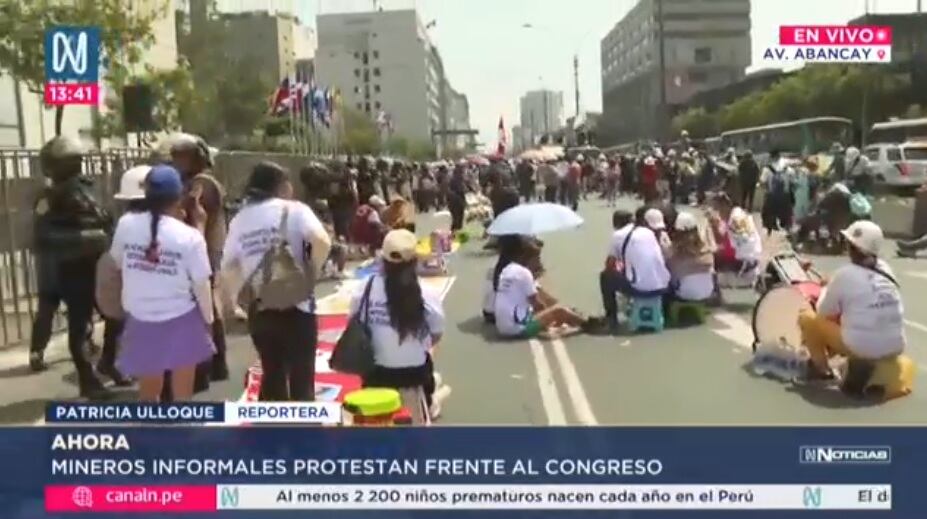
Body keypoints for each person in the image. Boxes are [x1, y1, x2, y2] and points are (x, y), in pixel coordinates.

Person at [220, 162, 331, 401]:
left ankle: (272, 431)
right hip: (298, 305)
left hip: (261, 306)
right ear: (280, 186)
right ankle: (305, 432)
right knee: (302, 377)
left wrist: (233, 302)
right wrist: (312, 272)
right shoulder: (296, 210)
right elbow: (322, 241)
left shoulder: (240, 220)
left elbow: (229, 267)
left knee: (272, 373)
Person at [109, 165, 214, 402]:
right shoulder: (190, 236)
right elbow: (201, 284)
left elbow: (116, 261)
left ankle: (150, 433)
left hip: (140, 314)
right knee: (182, 391)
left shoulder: (126, 224)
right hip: (181, 316)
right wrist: (209, 319)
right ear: (178, 197)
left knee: (148, 389)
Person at [29, 136, 112, 399]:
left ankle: (109, 363)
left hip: (97, 263)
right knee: (79, 324)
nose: (74, 167)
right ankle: (88, 380)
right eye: (68, 163)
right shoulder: (48, 199)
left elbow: (105, 219)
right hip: (72, 267)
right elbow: (43, 237)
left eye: (75, 162)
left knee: (116, 316)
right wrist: (87, 238)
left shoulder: (87, 188)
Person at [797, 221, 907, 394]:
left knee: (807, 317)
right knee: (856, 317)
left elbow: (823, 310)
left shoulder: (845, 275)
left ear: (853, 247)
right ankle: (866, 368)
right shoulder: (886, 269)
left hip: (860, 346)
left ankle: (821, 370)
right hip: (895, 345)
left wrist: (827, 288)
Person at [349, 229, 443, 424]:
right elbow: (436, 334)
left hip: (375, 374)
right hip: (413, 375)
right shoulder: (427, 292)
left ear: (382, 259)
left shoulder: (364, 287)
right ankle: (430, 399)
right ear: (415, 260)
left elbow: (354, 322)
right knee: (428, 356)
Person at [170, 134, 228, 390]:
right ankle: (214, 363)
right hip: (204, 248)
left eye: (182, 156)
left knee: (206, 308)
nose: (177, 162)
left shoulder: (201, 184)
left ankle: (211, 364)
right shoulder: (196, 182)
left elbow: (195, 217)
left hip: (205, 249)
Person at [494, 240, 588, 338]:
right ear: (528, 259)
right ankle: (589, 325)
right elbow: (538, 306)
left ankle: (571, 321)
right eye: (537, 258)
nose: (539, 262)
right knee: (560, 311)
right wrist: (550, 317)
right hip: (519, 329)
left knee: (552, 311)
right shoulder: (524, 273)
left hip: (502, 328)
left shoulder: (507, 269)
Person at [599, 206, 671, 331]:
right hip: (663, 287)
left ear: (615, 224)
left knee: (605, 276)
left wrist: (620, 268)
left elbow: (609, 265)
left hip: (639, 288)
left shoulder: (618, 235)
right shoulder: (648, 232)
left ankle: (611, 318)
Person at [666, 212, 715, 305]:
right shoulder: (705, 248)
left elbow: (671, 272)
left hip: (685, 293)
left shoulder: (675, 250)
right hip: (708, 291)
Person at [760, 149, 795, 234]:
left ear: (771, 157)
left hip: (772, 196)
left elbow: (762, 182)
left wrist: (767, 189)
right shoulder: (788, 169)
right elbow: (793, 182)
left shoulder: (767, 169)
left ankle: (770, 229)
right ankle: (787, 230)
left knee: (767, 214)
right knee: (787, 215)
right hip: (785, 196)